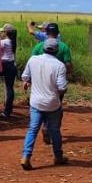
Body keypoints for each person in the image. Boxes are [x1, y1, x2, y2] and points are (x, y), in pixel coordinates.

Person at [19, 39, 69, 171]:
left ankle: (26, 156)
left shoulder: (33, 60)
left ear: (43, 48)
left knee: (32, 129)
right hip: (52, 103)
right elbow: (62, 87)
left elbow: (25, 77)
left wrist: (31, 82)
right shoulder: (59, 65)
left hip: (35, 102)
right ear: (57, 51)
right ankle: (58, 156)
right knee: (55, 130)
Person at [0, 24, 19, 118]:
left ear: (6, 32)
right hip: (11, 64)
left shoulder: (3, 42)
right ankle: (8, 109)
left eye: (3, 31)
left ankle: (3, 109)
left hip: (4, 64)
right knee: (10, 87)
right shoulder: (13, 41)